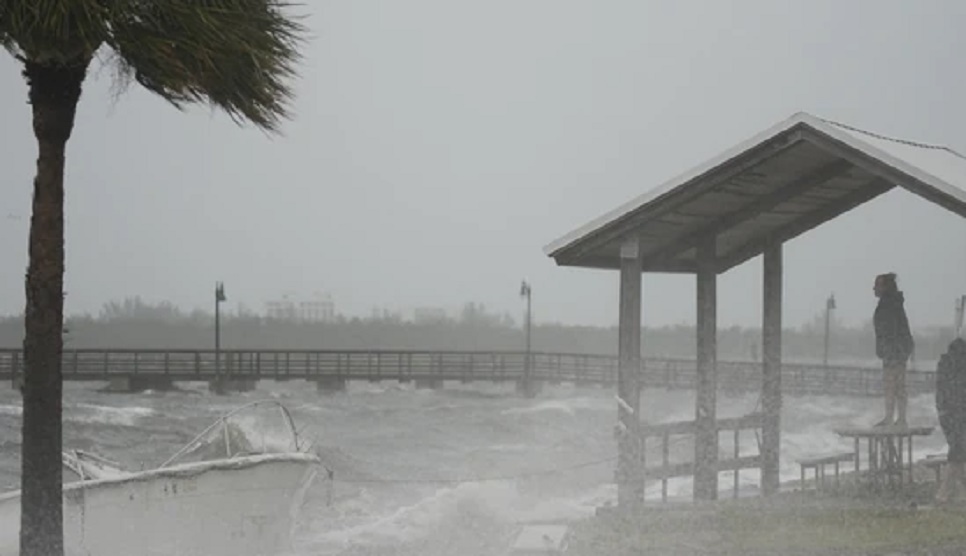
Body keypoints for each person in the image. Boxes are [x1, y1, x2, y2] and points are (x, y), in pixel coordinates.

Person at [872, 272, 914, 427]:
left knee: (893, 385)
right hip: (896, 351)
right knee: (896, 386)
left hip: (894, 352)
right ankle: (896, 418)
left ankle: (895, 418)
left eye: (877, 285)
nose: (873, 288)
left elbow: (891, 331)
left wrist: (889, 350)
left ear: (885, 287)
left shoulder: (889, 305)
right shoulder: (892, 303)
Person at [935, 337, 966, 503]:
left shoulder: (944, 365)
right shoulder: (960, 366)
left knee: (958, 450)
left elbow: (941, 392)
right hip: (959, 413)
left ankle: (960, 491)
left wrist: (941, 410)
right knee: (957, 451)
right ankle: (944, 491)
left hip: (946, 414)